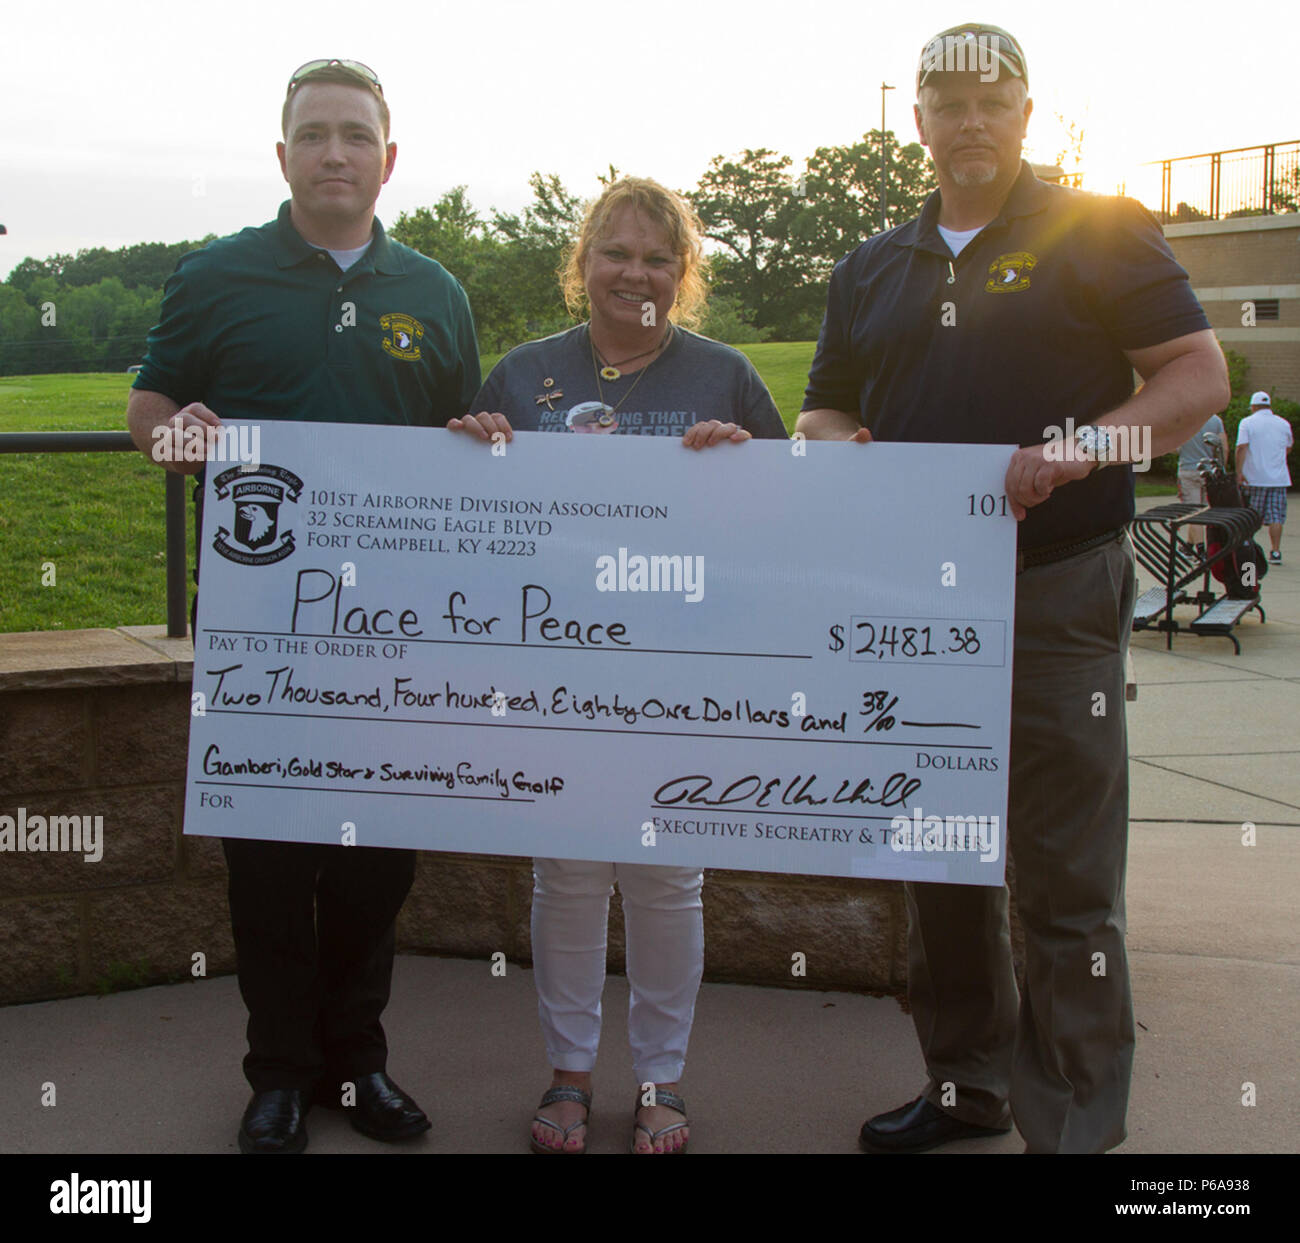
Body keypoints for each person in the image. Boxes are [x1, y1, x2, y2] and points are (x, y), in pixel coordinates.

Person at [797, 23, 1228, 1154]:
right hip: (914, 599)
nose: (971, 118)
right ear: (919, 121)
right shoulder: (870, 265)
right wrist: (836, 448)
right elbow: (825, 408)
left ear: (1026, 114)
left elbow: (1193, 376)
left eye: (993, 98)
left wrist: (1086, 447)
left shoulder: (1099, 228)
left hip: (1055, 584)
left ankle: (1076, 1123)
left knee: (1064, 876)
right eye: (948, 100)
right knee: (940, 861)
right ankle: (963, 1085)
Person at [126, 59, 480, 1153]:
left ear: (388, 157)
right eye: (315, 135)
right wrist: (171, 434)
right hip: (259, 630)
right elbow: (150, 407)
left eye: (355, 135)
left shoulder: (436, 291)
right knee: (271, 864)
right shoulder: (215, 276)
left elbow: (464, 435)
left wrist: (480, 445)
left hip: (396, 633)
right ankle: (278, 1072)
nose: (336, 152)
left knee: (379, 857)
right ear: (283, 157)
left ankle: (357, 1063)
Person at [448, 176, 787, 1153]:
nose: (633, 271)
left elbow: (787, 525)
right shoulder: (523, 373)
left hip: (680, 662)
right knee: (566, 871)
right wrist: (475, 448)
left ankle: (661, 1079)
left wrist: (742, 463)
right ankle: (566, 1075)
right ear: (582, 262)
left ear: (682, 274)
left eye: (655, 256)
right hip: (559, 661)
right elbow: (472, 521)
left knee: (666, 875)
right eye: (615, 251)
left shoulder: (724, 375)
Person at [1236, 391, 1292, 562]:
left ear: (1253, 407)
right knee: (1276, 516)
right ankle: (1275, 551)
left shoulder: (1247, 423)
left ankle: (1248, 547)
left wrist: (1239, 473)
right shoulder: (1283, 423)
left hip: (1254, 478)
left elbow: (1241, 448)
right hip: (1278, 479)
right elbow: (1289, 447)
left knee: (1253, 515)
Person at [1175, 412, 1228, 550]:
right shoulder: (1216, 421)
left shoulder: (1185, 419)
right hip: (1209, 471)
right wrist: (1221, 470)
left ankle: (1200, 549)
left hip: (1188, 469)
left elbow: (1175, 447)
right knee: (1204, 511)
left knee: (1192, 512)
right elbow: (1224, 448)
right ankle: (1189, 545)